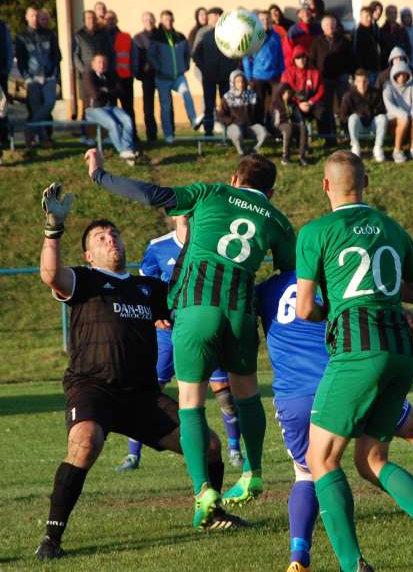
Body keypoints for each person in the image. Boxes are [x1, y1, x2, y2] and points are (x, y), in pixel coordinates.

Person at [84, 149, 295, 528]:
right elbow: (289, 278)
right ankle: (253, 471)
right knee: (246, 393)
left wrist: (101, 175)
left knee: (191, 401)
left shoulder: (211, 192)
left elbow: (151, 193)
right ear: (273, 193)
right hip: (241, 310)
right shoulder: (278, 221)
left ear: (234, 179)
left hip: (197, 306)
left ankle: (204, 491)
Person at [33, 187, 239, 560]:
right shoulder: (85, 280)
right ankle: (52, 539)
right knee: (85, 442)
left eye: (114, 234)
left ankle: (212, 513)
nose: (110, 239)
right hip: (93, 388)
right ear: (88, 254)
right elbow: (50, 275)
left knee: (208, 445)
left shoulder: (148, 288)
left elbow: (185, 298)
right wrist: (53, 229)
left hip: (141, 396)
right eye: (100, 237)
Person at [259, 271, 413, 572]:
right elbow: (377, 310)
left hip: (292, 396)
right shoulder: (327, 277)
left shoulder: (264, 290)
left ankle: (299, 560)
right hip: (341, 382)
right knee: (407, 434)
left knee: (307, 471)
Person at [294, 151, 413, 572]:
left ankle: (353, 566)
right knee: (371, 460)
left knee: (321, 460)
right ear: (366, 181)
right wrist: (380, 291)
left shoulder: (316, 231)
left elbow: (304, 309)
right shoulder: (392, 228)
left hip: (357, 352)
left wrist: (333, 307)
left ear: (325, 186)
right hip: (402, 351)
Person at [116, 215, 245, 472]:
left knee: (222, 390)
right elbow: (144, 289)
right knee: (150, 389)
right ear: (172, 215)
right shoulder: (158, 247)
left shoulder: (210, 243)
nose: (186, 213)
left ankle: (234, 451)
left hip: (202, 331)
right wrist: (154, 316)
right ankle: (133, 455)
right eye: (180, 209)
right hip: (167, 336)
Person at [149, 10, 202, 143]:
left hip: (178, 76)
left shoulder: (180, 36)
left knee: (186, 94)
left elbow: (187, 53)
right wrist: (158, 68)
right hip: (162, 78)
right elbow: (151, 55)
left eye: (171, 20)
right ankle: (168, 134)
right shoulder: (156, 37)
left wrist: (186, 66)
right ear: (161, 21)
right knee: (166, 106)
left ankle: (194, 120)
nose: (169, 22)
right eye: (166, 20)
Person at [14, 7, 61, 147]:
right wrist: (27, 77)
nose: (35, 18)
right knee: (35, 108)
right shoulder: (21, 36)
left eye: (36, 15)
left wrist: (54, 75)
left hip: (49, 78)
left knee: (49, 103)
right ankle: (44, 139)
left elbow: (57, 56)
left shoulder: (49, 34)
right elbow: (21, 59)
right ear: (27, 17)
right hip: (32, 79)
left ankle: (30, 130)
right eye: (32, 15)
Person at [81, 53, 138, 162]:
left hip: (110, 107)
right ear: (93, 64)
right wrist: (109, 91)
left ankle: (127, 148)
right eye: (99, 62)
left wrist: (104, 90)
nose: (101, 65)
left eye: (103, 62)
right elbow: (95, 95)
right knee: (113, 124)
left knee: (127, 120)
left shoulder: (110, 75)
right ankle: (123, 151)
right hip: (94, 109)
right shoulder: (88, 76)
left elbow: (120, 91)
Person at [194, 7, 240, 136]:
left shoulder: (229, 34)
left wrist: (231, 68)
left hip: (225, 76)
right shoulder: (204, 34)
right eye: (210, 16)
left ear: (220, 17)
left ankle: (229, 132)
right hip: (209, 77)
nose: (210, 19)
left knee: (227, 104)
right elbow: (196, 55)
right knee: (209, 105)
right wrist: (204, 69)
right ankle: (208, 132)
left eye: (213, 16)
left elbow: (237, 53)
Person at [308, 14, 354, 140]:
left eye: (333, 24)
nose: (331, 27)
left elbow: (351, 59)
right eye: (327, 24)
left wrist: (349, 73)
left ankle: (346, 134)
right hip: (324, 79)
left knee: (344, 106)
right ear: (322, 27)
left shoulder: (344, 40)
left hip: (341, 78)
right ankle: (330, 136)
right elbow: (312, 61)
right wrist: (315, 77)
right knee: (327, 108)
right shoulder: (316, 41)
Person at [74, 9, 113, 144]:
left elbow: (109, 52)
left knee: (104, 103)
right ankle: (87, 136)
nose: (91, 20)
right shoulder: (79, 36)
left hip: (101, 74)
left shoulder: (103, 34)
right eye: (88, 18)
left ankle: (105, 135)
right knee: (87, 106)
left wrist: (106, 69)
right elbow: (75, 57)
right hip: (86, 76)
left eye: (92, 18)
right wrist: (85, 71)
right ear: (84, 20)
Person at [243, 9, 285, 129]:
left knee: (275, 103)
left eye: (267, 19)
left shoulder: (276, 36)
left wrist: (281, 72)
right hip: (258, 76)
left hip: (274, 76)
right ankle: (259, 128)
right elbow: (246, 58)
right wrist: (249, 77)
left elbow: (280, 56)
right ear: (258, 22)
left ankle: (273, 128)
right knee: (258, 103)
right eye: (262, 20)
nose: (265, 22)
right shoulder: (252, 36)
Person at [280, 46, 326, 152]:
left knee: (323, 112)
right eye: (298, 58)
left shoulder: (315, 72)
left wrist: (311, 102)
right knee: (296, 117)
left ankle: (327, 139)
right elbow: (285, 93)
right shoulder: (287, 73)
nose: (301, 60)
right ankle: (300, 144)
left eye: (303, 57)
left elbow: (321, 90)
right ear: (293, 60)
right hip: (294, 103)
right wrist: (299, 103)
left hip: (311, 101)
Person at [103, 11, 138, 142]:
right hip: (109, 80)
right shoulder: (101, 38)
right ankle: (114, 137)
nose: (110, 21)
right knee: (110, 110)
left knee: (128, 109)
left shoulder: (126, 36)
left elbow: (134, 56)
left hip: (125, 79)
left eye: (112, 19)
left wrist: (134, 72)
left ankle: (132, 136)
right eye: (107, 19)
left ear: (116, 20)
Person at [340, 69, 388, 161]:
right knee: (353, 118)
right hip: (357, 126)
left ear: (368, 81)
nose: (362, 84)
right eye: (359, 81)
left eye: (364, 81)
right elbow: (343, 117)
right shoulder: (348, 95)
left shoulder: (375, 93)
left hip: (372, 123)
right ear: (355, 82)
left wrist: (371, 112)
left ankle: (378, 148)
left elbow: (382, 110)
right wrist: (357, 116)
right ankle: (355, 146)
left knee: (383, 118)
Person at [219, 70, 268, 155]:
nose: (241, 84)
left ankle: (253, 150)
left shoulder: (252, 95)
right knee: (237, 134)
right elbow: (220, 115)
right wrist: (231, 121)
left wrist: (258, 122)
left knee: (264, 133)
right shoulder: (227, 97)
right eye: (237, 82)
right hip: (234, 126)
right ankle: (241, 151)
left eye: (242, 81)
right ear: (233, 83)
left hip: (250, 126)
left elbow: (259, 111)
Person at [384, 62, 413, 163]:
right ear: (394, 75)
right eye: (399, 74)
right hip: (393, 117)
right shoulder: (388, 86)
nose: (401, 77)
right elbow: (390, 106)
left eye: (403, 74)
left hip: (409, 115)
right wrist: (403, 115)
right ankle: (397, 150)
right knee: (403, 120)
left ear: (407, 74)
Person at [134, 12, 158, 142]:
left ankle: (169, 133)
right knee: (148, 107)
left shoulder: (161, 35)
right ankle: (151, 134)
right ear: (142, 22)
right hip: (147, 76)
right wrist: (139, 74)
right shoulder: (138, 38)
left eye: (150, 19)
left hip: (161, 75)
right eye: (145, 20)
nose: (148, 21)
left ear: (154, 20)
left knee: (166, 105)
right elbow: (135, 57)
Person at [271, 83, 306, 166]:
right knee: (288, 128)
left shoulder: (292, 103)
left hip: (292, 124)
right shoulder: (276, 104)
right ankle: (285, 157)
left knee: (302, 127)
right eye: (287, 93)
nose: (288, 95)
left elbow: (298, 116)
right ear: (282, 93)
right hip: (279, 125)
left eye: (290, 93)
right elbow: (274, 120)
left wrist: (301, 123)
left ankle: (302, 156)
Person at [353, 7, 381, 84]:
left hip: (375, 68)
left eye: (370, 16)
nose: (369, 19)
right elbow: (356, 53)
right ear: (361, 17)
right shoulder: (358, 32)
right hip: (366, 71)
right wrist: (362, 71)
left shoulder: (371, 29)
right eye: (367, 16)